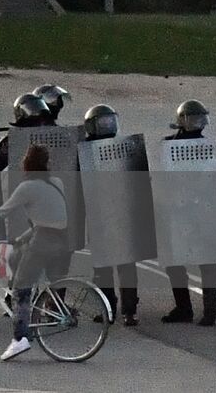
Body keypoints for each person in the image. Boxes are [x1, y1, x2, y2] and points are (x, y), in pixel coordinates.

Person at [0, 143, 70, 362]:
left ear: (27, 164)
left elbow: (3, 212)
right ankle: (38, 310)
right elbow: (48, 220)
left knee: (20, 289)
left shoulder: (27, 187)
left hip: (43, 242)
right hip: (61, 240)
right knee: (16, 256)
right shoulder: (57, 183)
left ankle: (19, 339)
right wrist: (21, 238)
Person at [160, 99, 216, 325]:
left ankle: (203, 310)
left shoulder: (209, 148)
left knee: (199, 262)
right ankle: (191, 309)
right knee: (178, 261)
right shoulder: (171, 146)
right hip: (186, 209)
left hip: (198, 210)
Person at [81, 103, 140, 326]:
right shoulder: (122, 147)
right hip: (112, 214)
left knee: (111, 267)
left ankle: (117, 310)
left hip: (111, 214)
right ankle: (124, 310)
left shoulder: (122, 147)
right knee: (116, 267)